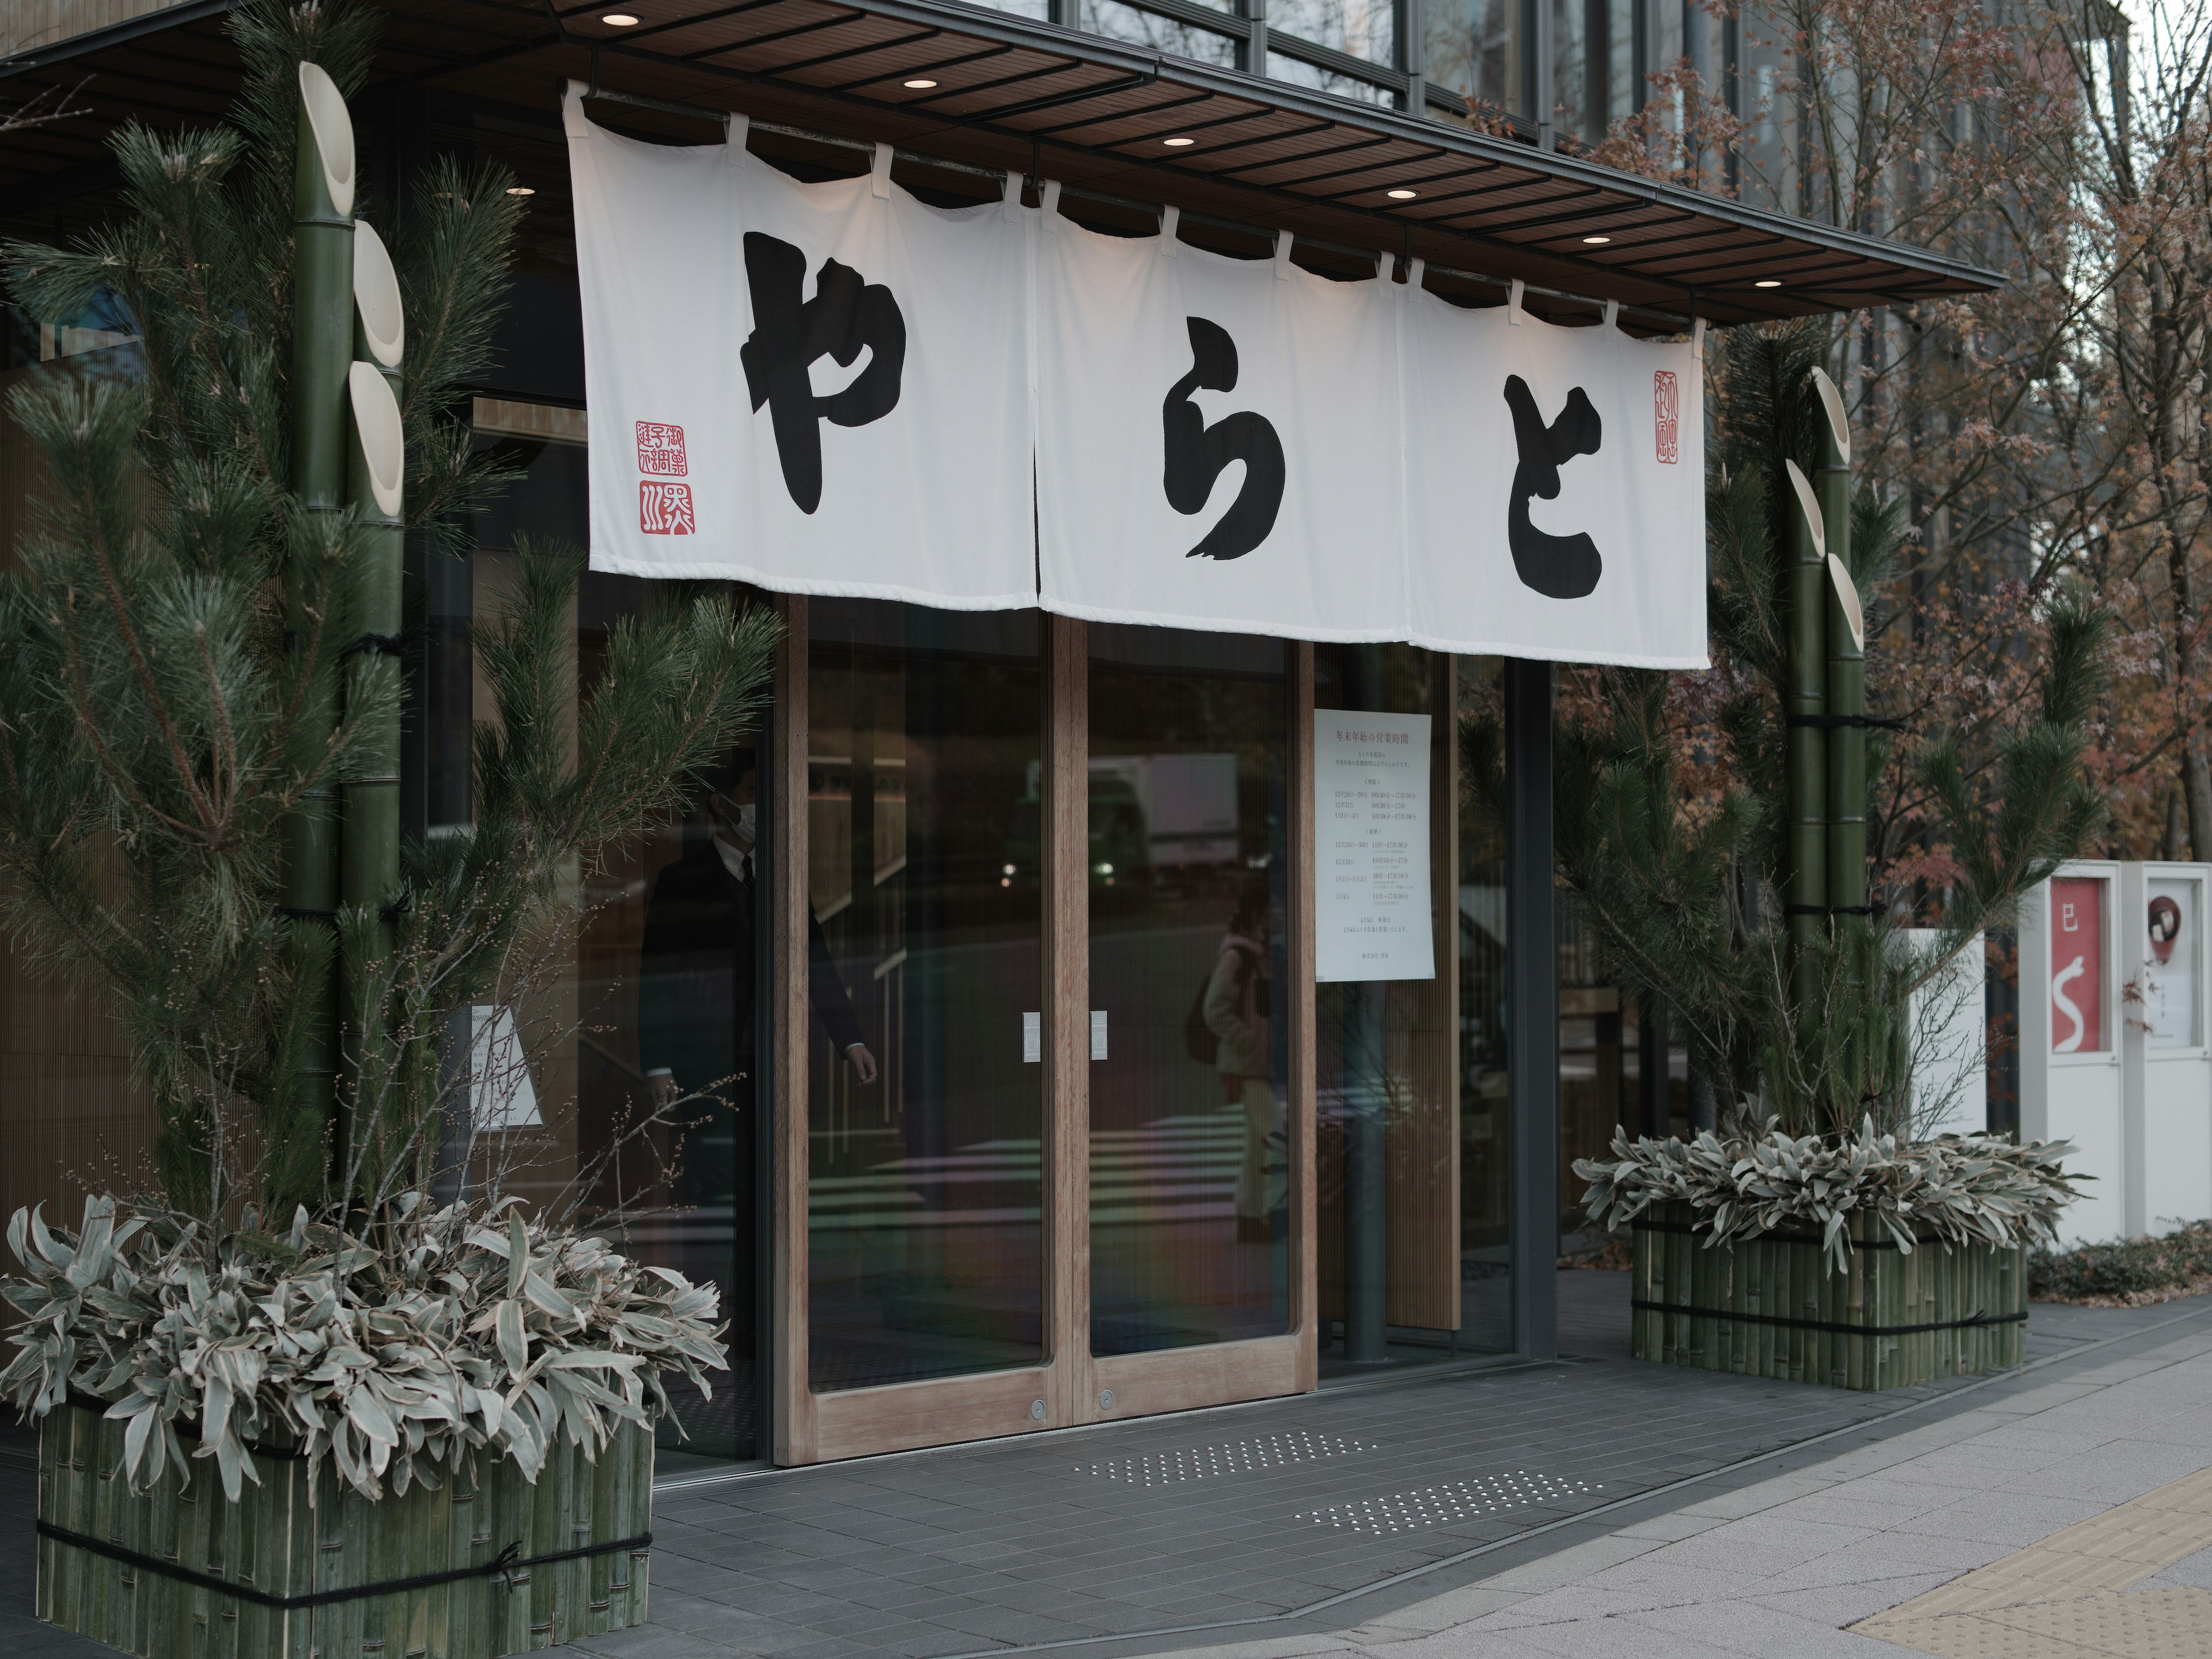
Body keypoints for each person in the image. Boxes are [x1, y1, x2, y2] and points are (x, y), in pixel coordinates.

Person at [639, 751, 877, 1115]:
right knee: (714, 1162)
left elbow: (816, 963)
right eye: (753, 793)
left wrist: (851, 1040)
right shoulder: (681, 881)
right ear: (721, 804)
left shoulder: (786, 875)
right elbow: (659, 976)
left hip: (776, 1056)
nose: (765, 805)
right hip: (706, 1058)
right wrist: (658, 1065)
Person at [1205, 878, 1276, 1244]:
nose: (1275, 916)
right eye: (1269, 910)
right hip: (1245, 1066)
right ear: (1256, 913)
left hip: (1257, 1065)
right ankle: (1270, 1214)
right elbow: (1214, 1009)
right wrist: (1247, 1042)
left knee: (1257, 1142)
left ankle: (1250, 1219)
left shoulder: (1259, 954)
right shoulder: (1237, 956)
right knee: (1276, 1135)